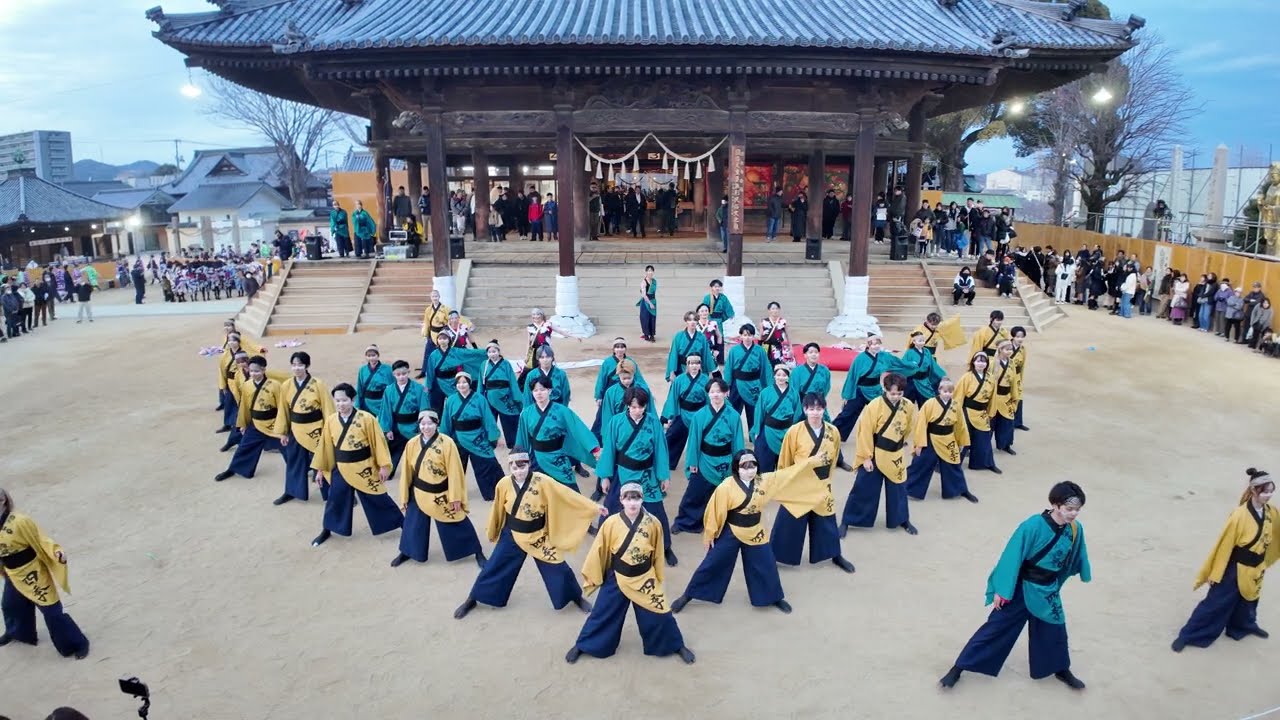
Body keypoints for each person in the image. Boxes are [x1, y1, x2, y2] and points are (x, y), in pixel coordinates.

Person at [939, 482, 1092, 691]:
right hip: (1022, 587)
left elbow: (1075, 555)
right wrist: (1003, 591)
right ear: (1056, 505)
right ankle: (958, 668)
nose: (1073, 514)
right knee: (996, 628)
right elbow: (1011, 557)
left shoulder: (1075, 529)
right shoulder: (1032, 526)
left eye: (1077, 509)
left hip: (1047, 589)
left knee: (1055, 630)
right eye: (1069, 508)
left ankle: (1061, 669)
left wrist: (1072, 575)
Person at [671, 449, 832, 614]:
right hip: (732, 530)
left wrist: (811, 461)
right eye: (745, 467)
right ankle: (688, 595)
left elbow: (787, 474)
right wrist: (710, 535)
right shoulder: (726, 486)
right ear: (736, 468)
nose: (749, 471)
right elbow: (715, 511)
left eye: (753, 466)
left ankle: (774, 597)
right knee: (713, 562)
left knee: (766, 563)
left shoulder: (764, 481)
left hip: (755, 530)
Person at [453, 450, 604, 619]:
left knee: (558, 568)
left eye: (522, 466)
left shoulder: (542, 481)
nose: (519, 471)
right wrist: (493, 529)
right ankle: (473, 598)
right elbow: (497, 509)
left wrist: (593, 507)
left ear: (529, 464)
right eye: (514, 467)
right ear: (509, 467)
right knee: (494, 566)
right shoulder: (504, 484)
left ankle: (575, 597)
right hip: (513, 533)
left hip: (538, 534)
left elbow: (566, 494)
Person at [567, 482, 696, 664]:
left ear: (642, 499)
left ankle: (675, 645)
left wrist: (657, 577)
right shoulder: (611, 523)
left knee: (660, 612)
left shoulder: (653, 523)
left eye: (636, 498)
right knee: (602, 612)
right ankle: (584, 645)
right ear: (621, 500)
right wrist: (596, 575)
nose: (632, 503)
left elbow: (658, 553)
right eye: (628, 498)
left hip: (644, 576)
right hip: (618, 575)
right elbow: (599, 550)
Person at [1172, 468, 1278, 652]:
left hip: (1256, 567)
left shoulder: (1272, 512)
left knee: (1249, 600)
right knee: (1216, 603)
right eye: (1264, 491)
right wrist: (1216, 572)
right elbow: (1224, 546)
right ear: (1254, 490)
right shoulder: (1239, 515)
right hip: (1235, 568)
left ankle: (1243, 626)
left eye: (1271, 491)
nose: (1268, 495)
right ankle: (1188, 635)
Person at [0, 488, 90, 659]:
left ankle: (76, 643)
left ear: (3, 501)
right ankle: (17, 632)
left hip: (33, 573)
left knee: (52, 612)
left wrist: (57, 552)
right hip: (12, 573)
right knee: (10, 605)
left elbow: (42, 540)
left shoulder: (20, 521)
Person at [310, 383, 404, 547]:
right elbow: (325, 447)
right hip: (341, 467)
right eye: (337, 401)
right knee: (335, 499)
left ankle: (403, 524)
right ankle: (327, 529)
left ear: (353, 400)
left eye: (344, 400)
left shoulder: (367, 419)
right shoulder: (331, 420)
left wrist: (383, 466)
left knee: (378, 497)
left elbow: (379, 443)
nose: (340, 404)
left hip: (364, 466)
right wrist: (320, 470)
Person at [390, 410, 487, 569]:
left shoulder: (447, 443)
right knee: (413, 524)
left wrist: (455, 497)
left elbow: (455, 472)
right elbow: (407, 472)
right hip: (419, 491)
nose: (426, 427)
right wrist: (405, 495)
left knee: (457, 520)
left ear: (437, 424)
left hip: (441, 492)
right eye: (423, 424)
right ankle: (407, 552)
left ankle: (477, 551)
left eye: (430, 423)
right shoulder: (412, 443)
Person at [771, 393, 854, 571]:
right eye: (811, 409)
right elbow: (785, 460)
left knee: (826, 521)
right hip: (799, 483)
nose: (815, 413)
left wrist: (827, 480)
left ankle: (835, 554)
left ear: (824, 410)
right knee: (788, 522)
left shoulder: (833, 431)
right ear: (805, 410)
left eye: (819, 408)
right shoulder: (794, 431)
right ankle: (774, 557)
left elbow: (834, 458)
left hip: (821, 483)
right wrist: (784, 485)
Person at [597, 387, 677, 565]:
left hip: (647, 474)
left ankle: (665, 546)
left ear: (645, 406)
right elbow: (609, 449)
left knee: (656, 510)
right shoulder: (616, 422)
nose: (637, 410)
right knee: (611, 507)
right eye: (633, 407)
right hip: (623, 472)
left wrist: (663, 476)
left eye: (641, 407)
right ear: (627, 405)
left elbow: (660, 450)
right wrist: (605, 476)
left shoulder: (653, 422)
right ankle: (603, 542)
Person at [842, 373, 919, 535]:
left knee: (898, 489)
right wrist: (866, 457)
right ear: (885, 389)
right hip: (875, 452)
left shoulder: (908, 406)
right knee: (863, 488)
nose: (896, 397)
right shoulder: (874, 405)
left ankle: (902, 519)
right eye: (892, 393)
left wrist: (898, 442)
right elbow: (865, 432)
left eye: (899, 393)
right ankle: (848, 520)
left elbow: (909, 427)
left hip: (895, 452)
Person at [674, 378, 744, 534]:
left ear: (726, 393)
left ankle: (721, 522)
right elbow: (694, 442)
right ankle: (685, 522)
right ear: (708, 394)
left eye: (719, 391)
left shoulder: (733, 416)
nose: (716, 395)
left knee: (724, 495)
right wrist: (693, 462)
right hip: (705, 460)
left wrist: (738, 463)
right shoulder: (699, 416)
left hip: (726, 461)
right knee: (695, 494)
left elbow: (737, 442)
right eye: (712, 392)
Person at [273, 351, 334, 506]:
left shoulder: (318, 384)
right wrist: (283, 432)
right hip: (295, 428)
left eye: (300, 365)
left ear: (307, 366)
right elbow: (283, 409)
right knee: (294, 460)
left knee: (323, 461)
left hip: (315, 429)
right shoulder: (286, 385)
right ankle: (292, 491)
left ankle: (335, 494)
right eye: (294, 365)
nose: (297, 368)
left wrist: (331, 431)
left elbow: (328, 408)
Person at [516, 376, 599, 489]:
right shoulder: (526, 414)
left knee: (569, 488)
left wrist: (593, 448)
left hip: (558, 456)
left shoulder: (562, 410)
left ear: (549, 390)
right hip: (537, 458)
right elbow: (522, 437)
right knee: (538, 489)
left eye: (542, 389)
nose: (539, 393)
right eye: (535, 390)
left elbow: (579, 428)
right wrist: (519, 456)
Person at [215, 355, 285, 483]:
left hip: (273, 424)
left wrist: (283, 428)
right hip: (256, 423)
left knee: (290, 448)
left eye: (257, 371)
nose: (253, 374)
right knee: (244, 447)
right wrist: (243, 424)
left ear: (264, 370)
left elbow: (282, 407)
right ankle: (233, 469)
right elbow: (244, 406)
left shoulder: (275, 385)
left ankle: (311, 468)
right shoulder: (247, 385)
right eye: (251, 371)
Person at [905, 378, 976, 502]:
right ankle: (905, 488)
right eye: (945, 391)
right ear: (939, 390)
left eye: (950, 392)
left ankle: (960, 489)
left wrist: (961, 442)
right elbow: (921, 424)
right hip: (931, 438)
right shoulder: (930, 404)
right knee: (921, 463)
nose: (947, 394)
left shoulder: (956, 405)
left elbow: (960, 425)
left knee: (953, 465)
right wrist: (919, 444)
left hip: (948, 438)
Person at [440, 372, 504, 502]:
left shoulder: (480, 399)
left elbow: (488, 418)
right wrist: (443, 438)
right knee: (455, 467)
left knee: (487, 463)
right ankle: (454, 493)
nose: (462, 385)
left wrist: (493, 436)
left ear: (469, 383)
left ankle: (492, 493)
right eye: (459, 383)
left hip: (477, 437)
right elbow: (446, 421)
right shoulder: (451, 400)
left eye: (464, 382)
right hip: (458, 438)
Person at [832, 336, 904, 442]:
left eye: (878, 344)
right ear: (868, 345)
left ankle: (889, 436)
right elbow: (852, 377)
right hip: (860, 390)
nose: (876, 346)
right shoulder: (860, 358)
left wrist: (912, 365)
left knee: (885, 412)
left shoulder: (884, 356)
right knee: (848, 413)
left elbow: (899, 363)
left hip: (876, 390)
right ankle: (832, 434)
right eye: (873, 344)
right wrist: (848, 394)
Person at [375, 360, 429, 469]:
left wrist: (423, 426)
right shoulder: (389, 390)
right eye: (398, 374)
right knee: (392, 454)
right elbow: (385, 411)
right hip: (396, 427)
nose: (401, 377)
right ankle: (389, 472)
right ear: (393, 374)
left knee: (418, 454)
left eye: (404, 374)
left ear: (408, 372)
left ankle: (418, 472)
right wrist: (387, 429)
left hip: (414, 427)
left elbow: (424, 408)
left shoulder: (418, 388)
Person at [591, 338, 648, 440]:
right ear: (613, 349)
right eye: (617, 347)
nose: (620, 349)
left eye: (622, 347)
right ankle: (599, 439)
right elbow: (601, 379)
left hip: (631, 390)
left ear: (625, 349)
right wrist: (598, 395)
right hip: (612, 389)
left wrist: (646, 390)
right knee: (603, 417)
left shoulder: (631, 362)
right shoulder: (607, 362)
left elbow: (639, 377)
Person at [954, 352, 1000, 474]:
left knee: (984, 438)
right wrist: (957, 413)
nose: (981, 364)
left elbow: (993, 397)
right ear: (973, 362)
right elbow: (958, 396)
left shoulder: (991, 378)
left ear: (987, 364)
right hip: (967, 411)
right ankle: (954, 464)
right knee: (963, 438)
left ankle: (984, 463)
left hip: (982, 413)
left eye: (983, 361)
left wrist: (991, 412)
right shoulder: (967, 377)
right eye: (978, 361)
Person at [750, 365, 801, 473]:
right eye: (778, 375)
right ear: (774, 376)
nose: (781, 378)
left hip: (786, 430)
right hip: (769, 429)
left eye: (784, 375)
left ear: (788, 377)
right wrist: (757, 430)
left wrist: (793, 429)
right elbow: (759, 412)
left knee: (785, 465)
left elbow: (797, 412)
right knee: (764, 462)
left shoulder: (793, 393)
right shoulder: (765, 392)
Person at [424, 330, 487, 414]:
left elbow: (470, 353)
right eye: (440, 338)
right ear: (437, 340)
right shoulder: (434, 355)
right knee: (436, 408)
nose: (442, 340)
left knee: (456, 405)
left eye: (445, 338)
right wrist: (428, 386)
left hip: (453, 382)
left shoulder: (456, 352)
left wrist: (488, 351)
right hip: (438, 383)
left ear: (449, 340)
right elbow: (430, 371)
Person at [724, 323, 770, 430]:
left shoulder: (760, 350)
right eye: (745, 335)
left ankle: (753, 435)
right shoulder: (734, 351)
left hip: (754, 385)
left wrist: (768, 386)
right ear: (740, 336)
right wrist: (726, 386)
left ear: (753, 336)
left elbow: (766, 369)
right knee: (733, 412)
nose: (747, 338)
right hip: (737, 385)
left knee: (754, 413)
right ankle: (732, 434)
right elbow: (728, 369)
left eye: (750, 335)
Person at [480, 340, 522, 448]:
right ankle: (491, 442)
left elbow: (512, 381)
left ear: (499, 351)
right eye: (489, 352)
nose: (492, 354)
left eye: (494, 351)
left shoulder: (506, 364)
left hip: (505, 397)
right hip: (490, 397)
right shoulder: (484, 365)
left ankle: (512, 443)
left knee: (509, 421)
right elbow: (481, 383)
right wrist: (479, 397)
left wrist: (517, 397)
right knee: (490, 421)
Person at [989, 341, 1021, 457]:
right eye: (1006, 349)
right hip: (994, 397)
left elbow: (1014, 381)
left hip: (1006, 397)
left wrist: (1015, 396)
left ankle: (1005, 444)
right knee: (990, 424)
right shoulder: (993, 363)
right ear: (1000, 349)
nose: (1009, 352)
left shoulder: (1011, 363)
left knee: (1007, 422)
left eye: (1010, 349)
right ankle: (984, 446)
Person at [664, 311, 715, 381]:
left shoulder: (702, 337)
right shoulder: (678, 336)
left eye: (695, 320)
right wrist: (672, 372)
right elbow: (673, 354)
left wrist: (710, 372)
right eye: (690, 320)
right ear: (686, 321)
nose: (692, 322)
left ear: (697, 322)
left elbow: (707, 355)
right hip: (682, 368)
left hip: (697, 368)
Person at [899, 331, 947, 406]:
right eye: (919, 341)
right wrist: (911, 364)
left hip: (924, 381)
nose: (922, 342)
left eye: (923, 340)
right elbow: (903, 364)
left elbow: (933, 365)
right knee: (907, 404)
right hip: (912, 381)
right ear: (914, 341)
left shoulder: (927, 352)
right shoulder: (909, 352)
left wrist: (942, 375)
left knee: (925, 404)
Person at [418, 289, 451, 376]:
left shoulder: (445, 309)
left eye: (436, 296)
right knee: (428, 352)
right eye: (433, 296)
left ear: (439, 297)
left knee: (442, 352)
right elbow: (426, 322)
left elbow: (449, 320)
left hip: (442, 333)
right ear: (431, 298)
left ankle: (442, 369)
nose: (435, 298)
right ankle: (424, 371)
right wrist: (426, 333)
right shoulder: (428, 309)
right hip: (432, 333)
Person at [356, 345, 394, 415]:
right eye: (369, 356)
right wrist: (357, 404)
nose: (371, 358)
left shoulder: (387, 369)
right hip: (367, 403)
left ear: (378, 355)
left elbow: (392, 386)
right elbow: (359, 388)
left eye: (373, 355)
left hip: (382, 402)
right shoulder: (362, 370)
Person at [760, 302, 795, 367]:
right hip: (765, 346)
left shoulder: (783, 321)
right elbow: (760, 336)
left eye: (776, 308)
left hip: (778, 347)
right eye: (773, 309)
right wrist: (759, 348)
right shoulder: (764, 321)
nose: (775, 310)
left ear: (779, 310)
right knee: (766, 365)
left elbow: (788, 336)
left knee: (778, 365)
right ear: (769, 310)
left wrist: (791, 348)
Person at [1009, 327, 1031, 431]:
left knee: (1018, 398)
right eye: (1017, 336)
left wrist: (1020, 379)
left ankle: (1018, 422)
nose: (1020, 339)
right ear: (1013, 336)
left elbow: (1022, 366)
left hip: (1017, 376)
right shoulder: (1007, 347)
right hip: (1007, 375)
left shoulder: (1023, 349)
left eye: (1022, 337)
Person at [637, 265, 657, 342]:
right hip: (646, 302)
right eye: (648, 271)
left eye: (651, 271)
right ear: (646, 272)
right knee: (645, 319)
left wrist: (653, 303)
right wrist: (650, 304)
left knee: (652, 318)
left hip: (653, 301)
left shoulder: (654, 281)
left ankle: (652, 335)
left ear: (653, 272)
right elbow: (644, 295)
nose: (650, 272)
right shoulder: (643, 282)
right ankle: (646, 334)